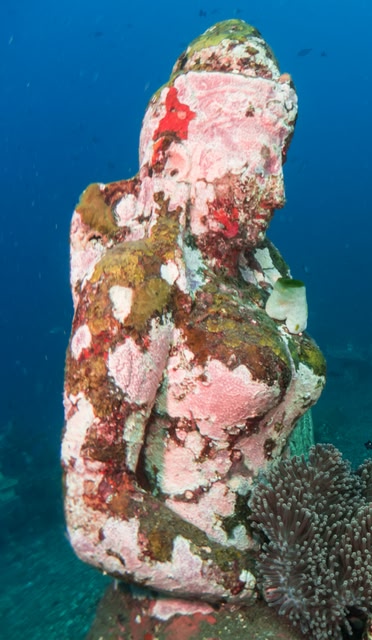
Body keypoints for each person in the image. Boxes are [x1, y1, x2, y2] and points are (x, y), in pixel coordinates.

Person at [61, 21, 325, 604]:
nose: (278, 191)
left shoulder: (267, 268)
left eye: (283, 161)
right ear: (180, 154)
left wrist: (308, 544)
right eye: (261, 163)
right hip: (187, 610)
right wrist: (255, 586)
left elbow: (291, 425)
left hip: (287, 573)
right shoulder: (139, 280)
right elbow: (94, 512)